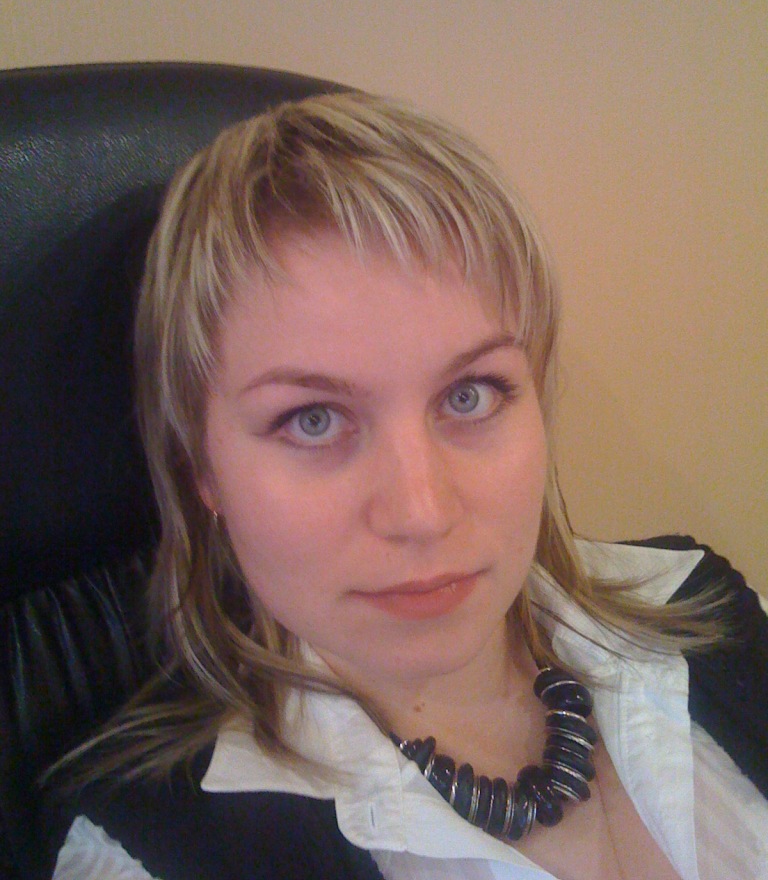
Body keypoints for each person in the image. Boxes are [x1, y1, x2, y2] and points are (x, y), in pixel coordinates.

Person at [51, 92, 767, 880]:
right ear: (203, 471)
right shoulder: (141, 851)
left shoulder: (714, 612)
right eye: (313, 420)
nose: (422, 512)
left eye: (470, 395)